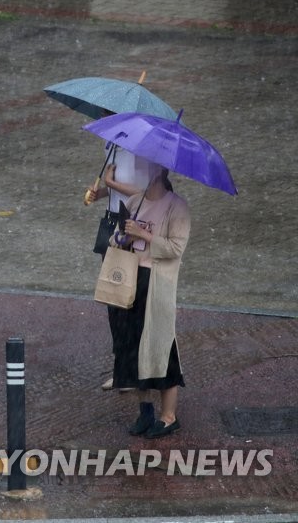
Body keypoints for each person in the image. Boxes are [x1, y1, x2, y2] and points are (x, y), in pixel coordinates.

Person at [109, 165, 190, 439]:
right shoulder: (136, 200)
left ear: (160, 171)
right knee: (133, 346)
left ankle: (169, 417)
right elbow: (116, 238)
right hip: (130, 281)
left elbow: (176, 247)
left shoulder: (177, 207)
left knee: (160, 346)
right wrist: (124, 236)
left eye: (147, 165)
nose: (141, 169)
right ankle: (145, 412)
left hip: (156, 285)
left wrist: (143, 234)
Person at [84, 142, 154, 390]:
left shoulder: (138, 150)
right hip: (111, 222)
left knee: (127, 299)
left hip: (130, 225)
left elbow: (144, 192)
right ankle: (123, 368)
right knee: (114, 298)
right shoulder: (110, 146)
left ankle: (133, 370)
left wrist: (112, 184)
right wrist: (101, 192)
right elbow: (117, 191)